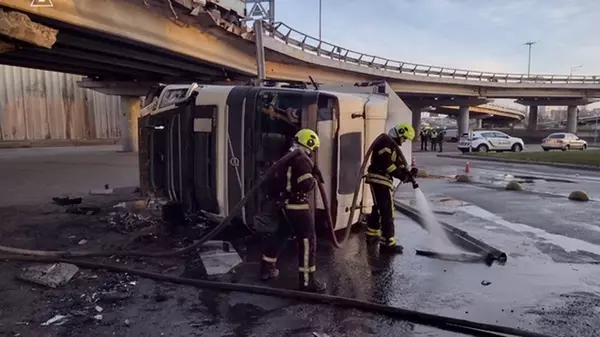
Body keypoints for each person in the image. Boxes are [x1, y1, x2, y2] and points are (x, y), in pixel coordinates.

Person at [260, 128, 327, 293]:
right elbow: (305, 184)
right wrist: (315, 178)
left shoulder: (286, 156)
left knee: (281, 235)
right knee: (307, 241)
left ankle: (267, 267)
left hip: (285, 205)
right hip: (298, 207)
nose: (312, 152)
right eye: (312, 148)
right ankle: (307, 282)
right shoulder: (301, 159)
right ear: (309, 143)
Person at [364, 124, 419, 254]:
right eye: (404, 138)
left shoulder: (390, 144)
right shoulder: (385, 143)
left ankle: (372, 234)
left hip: (380, 180)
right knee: (388, 211)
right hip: (380, 180)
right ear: (399, 133)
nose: (404, 141)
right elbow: (387, 164)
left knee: (378, 208)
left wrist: (409, 174)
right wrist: (401, 175)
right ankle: (388, 244)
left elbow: (397, 165)